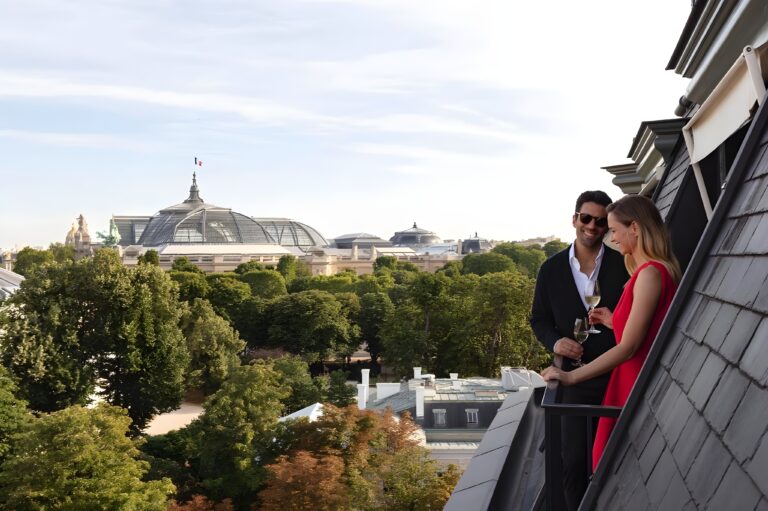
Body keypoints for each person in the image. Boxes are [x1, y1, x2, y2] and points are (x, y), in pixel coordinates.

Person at [541, 194, 680, 471]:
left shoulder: (650, 274)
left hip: (630, 378)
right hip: (629, 376)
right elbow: (650, 333)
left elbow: (629, 347)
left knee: (613, 466)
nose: (613, 239)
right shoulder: (651, 271)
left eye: (614, 230)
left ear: (635, 229)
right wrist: (614, 321)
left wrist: (570, 376)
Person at [531, 190, 629, 511]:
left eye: (601, 222)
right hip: (573, 376)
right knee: (572, 462)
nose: (592, 226)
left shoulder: (623, 265)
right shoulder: (551, 269)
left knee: (614, 458)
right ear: (574, 219)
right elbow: (539, 319)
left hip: (614, 375)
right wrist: (554, 342)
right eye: (586, 218)